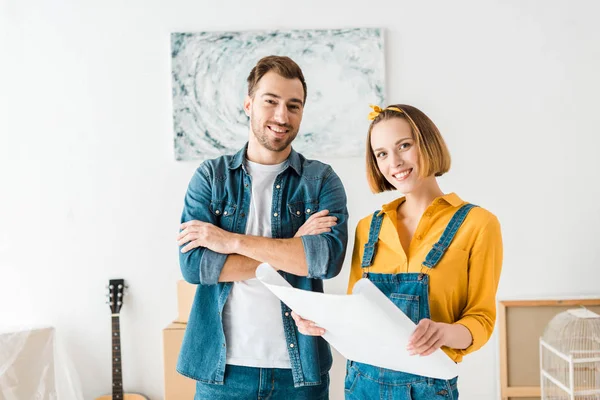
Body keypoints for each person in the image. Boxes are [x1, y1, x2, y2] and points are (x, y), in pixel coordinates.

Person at [292, 104, 503, 399]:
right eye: (382, 154)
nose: (395, 162)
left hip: (430, 389)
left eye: (404, 146)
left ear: (427, 143)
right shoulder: (368, 228)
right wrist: (321, 322)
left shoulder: (478, 224)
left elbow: (481, 319)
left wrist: (443, 333)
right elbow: (359, 317)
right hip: (361, 386)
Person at [176, 55, 348, 400]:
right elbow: (195, 267)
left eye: (293, 106)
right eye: (271, 101)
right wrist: (291, 250)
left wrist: (229, 241)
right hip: (222, 372)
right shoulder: (211, 178)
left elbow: (325, 263)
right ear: (249, 104)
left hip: (300, 373)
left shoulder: (321, 181)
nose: (282, 116)